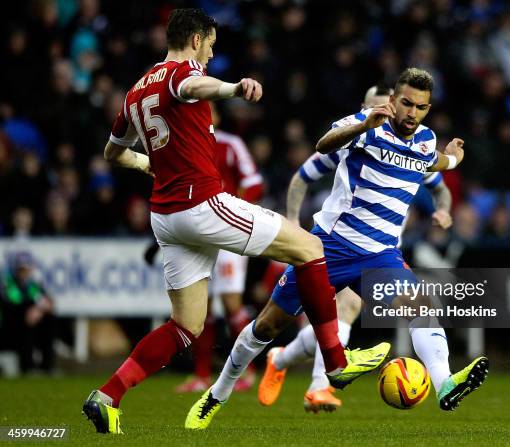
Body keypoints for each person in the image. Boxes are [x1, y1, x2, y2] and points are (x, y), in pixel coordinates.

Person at [82, 8, 390, 435]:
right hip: (202, 204)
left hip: (166, 216)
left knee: (186, 326)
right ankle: (336, 362)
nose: (210, 54)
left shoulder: (135, 91)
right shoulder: (182, 71)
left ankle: (108, 395)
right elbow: (192, 83)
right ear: (196, 40)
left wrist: (145, 163)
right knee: (310, 248)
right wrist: (231, 87)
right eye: (209, 45)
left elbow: (112, 153)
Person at [193, 68, 488, 430]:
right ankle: (218, 392)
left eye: (421, 107)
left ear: (428, 109)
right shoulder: (368, 123)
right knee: (267, 325)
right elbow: (324, 144)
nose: (412, 113)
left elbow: (436, 163)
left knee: (421, 307)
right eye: (407, 103)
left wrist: (454, 157)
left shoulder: (425, 140)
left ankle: (445, 384)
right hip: (329, 248)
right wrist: (361, 128)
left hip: (380, 255)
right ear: (393, 100)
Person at [265, 84, 453, 413]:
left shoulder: (414, 148)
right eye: (378, 108)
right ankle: (314, 383)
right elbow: (301, 177)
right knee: (334, 316)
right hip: (340, 242)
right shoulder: (349, 142)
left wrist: (444, 210)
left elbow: (441, 186)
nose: (390, 114)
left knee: (344, 316)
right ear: (364, 108)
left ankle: (286, 363)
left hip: (382, 251)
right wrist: (294, 222)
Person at [175, 102, 263, 393]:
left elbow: (253, 182)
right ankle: (202, 376)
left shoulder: (230, 144)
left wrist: (236, 212)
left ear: (218, 115)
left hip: (228, 231)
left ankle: (247, 371)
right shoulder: (187, 144)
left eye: (209, 107)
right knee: (201, 309)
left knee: (231, 304)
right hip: (199, 235)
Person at [0, 251, 56, 373]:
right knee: (27, 320)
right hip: (10, 324)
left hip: (30, 320)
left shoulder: (33, 284)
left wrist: (38, 311)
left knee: (49, 319)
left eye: (26, 269)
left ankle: (47, 366)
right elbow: (15, 304)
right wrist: (34, 310)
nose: (24, 272)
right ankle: (28, 365)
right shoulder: (8, 284)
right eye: (22, 269)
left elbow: (49, 302)